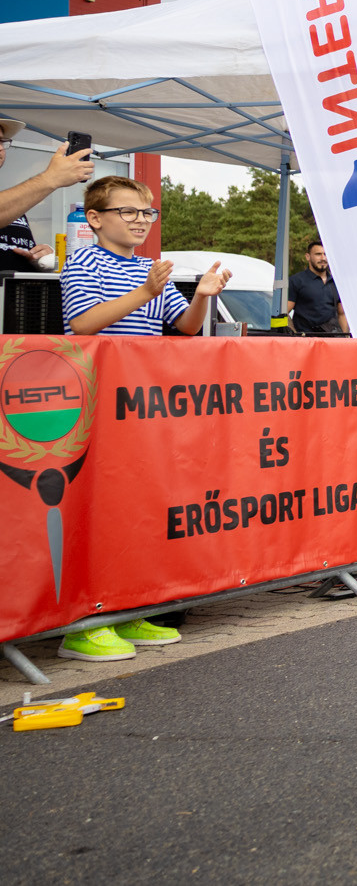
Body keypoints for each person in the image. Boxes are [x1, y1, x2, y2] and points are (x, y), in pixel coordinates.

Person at [56, 174, 230, 662]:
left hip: (141, 406)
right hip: (95, 404)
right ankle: (81, 626)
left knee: (136, 509)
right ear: (95, 218)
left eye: (146, 212)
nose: (140, 221)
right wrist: (144, 291)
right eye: (127, 211)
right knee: (98, 511)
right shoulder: (83, 261)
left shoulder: (150, 269)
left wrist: (202, 295)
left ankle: (124, 608)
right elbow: (82, 324)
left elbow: (184, 328)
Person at [0, 119, 92, 271]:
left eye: (2, 141)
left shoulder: (13, 205)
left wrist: (40, 259)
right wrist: (51, 178)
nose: (0, 148)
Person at [285, 239, 347, 335]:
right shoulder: (296, 280)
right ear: (308, 257)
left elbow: (342, 314)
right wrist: (295, 335)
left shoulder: (336, 282)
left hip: (332, 339)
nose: (323, 258)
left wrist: (345, 337)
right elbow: (284, 312)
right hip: (306, 340)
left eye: (325, 254)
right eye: (318, 254)